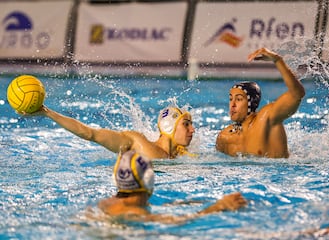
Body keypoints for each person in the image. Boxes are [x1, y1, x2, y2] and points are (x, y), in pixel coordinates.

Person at [95, 150, 247, 224]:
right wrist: (217, 208)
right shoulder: (134, 213)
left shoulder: (108, 203)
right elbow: (175, 221)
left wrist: (189, 203)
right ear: (149, 180)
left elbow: (152, 207)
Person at [216, 47, 305, 158]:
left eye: (238, 99)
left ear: (251, 103)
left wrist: (278, 61)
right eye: (230, 99)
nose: (232, 104)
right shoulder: (224, 137)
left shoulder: (267, 118)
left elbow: (297, 94)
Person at [23, 105, 195, 159]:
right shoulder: (137, 142)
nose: (192, 129)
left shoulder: (182, 156)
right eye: (186, 124)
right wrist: (47, 112)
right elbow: (90, 134)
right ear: (168, 126)